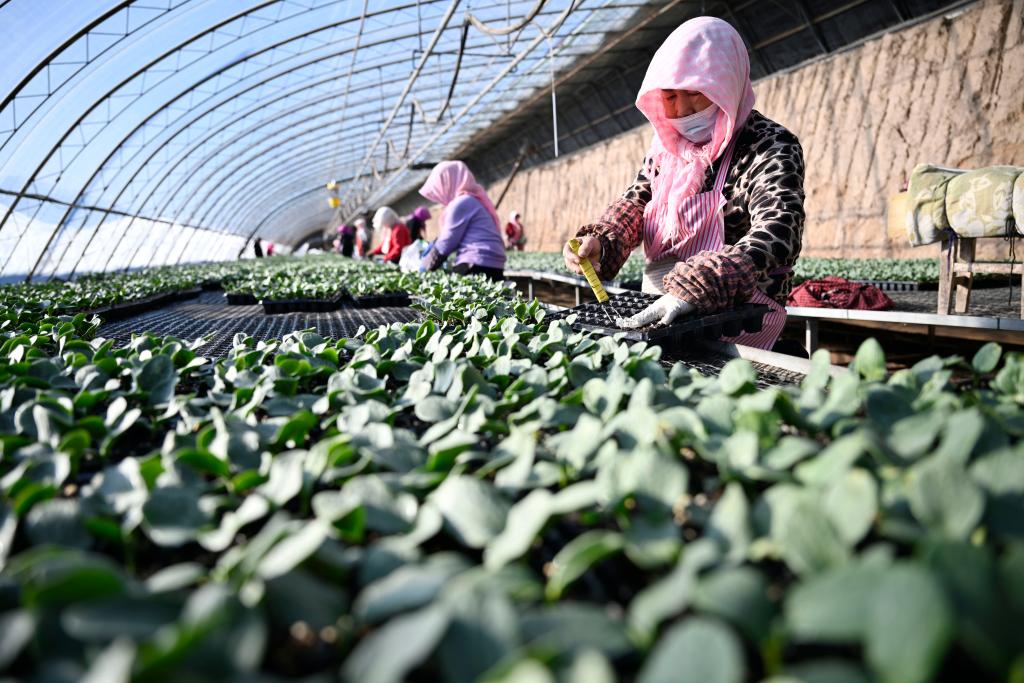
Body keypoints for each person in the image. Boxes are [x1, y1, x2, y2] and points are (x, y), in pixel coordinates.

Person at [563, 17, 804, 351]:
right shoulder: (665, 150)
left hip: (739, 320)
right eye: (671, 96)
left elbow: (778, 231)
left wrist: (703, 283)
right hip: (660, 313)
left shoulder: (769, 144)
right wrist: (601, 242)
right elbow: (637, 202)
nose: (682, 110)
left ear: (726, 83)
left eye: (695, 93)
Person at [418, 160, 507, 281]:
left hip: (476, 263)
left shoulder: (461, 202)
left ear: (448, 182)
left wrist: (426, 266)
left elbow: (447, 242)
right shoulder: (472, 200)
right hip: (493, 263)